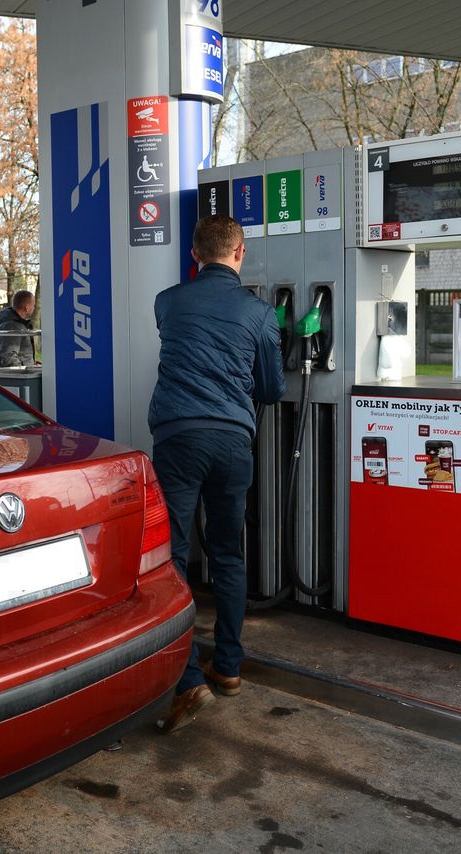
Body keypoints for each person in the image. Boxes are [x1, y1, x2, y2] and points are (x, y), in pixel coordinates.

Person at [148, 214, 285, 734]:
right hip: (232, 442)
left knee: (174, 553)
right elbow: (271, 390)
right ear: (240, 253)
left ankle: (187, 679)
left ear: (194, 254)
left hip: (178, 437)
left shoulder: (168, 302)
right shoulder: (259, 313)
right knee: (228, 552)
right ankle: (227, 667)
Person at [0, 290, 37, 368]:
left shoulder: (15, 324)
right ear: (27, 308)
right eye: (33, 305)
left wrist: (32, 364)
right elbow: (9, 357)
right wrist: (23, 372)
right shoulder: (12, 327)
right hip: (21, 377)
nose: (34, 308)